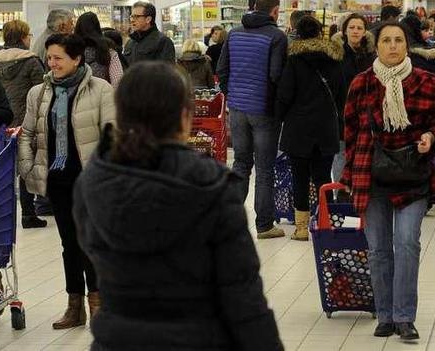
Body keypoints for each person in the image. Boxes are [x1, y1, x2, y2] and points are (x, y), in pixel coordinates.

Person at [72, 62, 282, 351]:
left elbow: (93, 251)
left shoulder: (94, 182)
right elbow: (242, 296)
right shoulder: (212, 187)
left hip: (117, 339)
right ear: (185, 117)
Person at [341, 21, 435, 341]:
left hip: (413, 175)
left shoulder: (425, 82)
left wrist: (432, 137)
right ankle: (385, 315)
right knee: (378, 249)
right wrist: (350, 170)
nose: (392, 46)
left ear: (407, 46)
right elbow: (349, 131)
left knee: (406, 243)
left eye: (398, 40)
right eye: (386, 41)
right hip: (371, 175)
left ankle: (404, 317)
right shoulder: (362, 83)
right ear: (376, 47)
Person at [18, 34, 115, 330]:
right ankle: (75, 306)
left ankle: (98, 304)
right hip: (57, 179)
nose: (52, 63)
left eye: (58, 58)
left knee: (90, 243)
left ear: (76, 59)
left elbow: (113, 135)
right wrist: (26, 167)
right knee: (68, 244)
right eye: (49, 58)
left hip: (89, 179)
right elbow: (27, 133)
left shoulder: (100, 90)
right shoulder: (39, 93)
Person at [217, 0, 289, 239]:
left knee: (240, 164)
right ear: (275, 10)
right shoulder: (277, 37)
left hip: (237, 109)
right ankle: (265, 225)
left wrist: (234, 96)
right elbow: (275, 75)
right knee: (265, 169)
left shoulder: (234, 33)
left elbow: (222, 70)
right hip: (264, 111)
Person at [276, 15, 345, 241]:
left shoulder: (294, 61)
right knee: (323, 177)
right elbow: (341, 94)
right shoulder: (335, 60)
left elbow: (285, 94)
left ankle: (302, 228)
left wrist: (280, 117)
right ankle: (327, 222)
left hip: (299, 127)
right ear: (320, 33)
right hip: (326, 126)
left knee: (300, 178)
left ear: (298, 33)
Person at [0, 20, 48, 229]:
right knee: (26, 166)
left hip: (2, 122)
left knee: (6, 169)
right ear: (24, 37)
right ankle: (28, 213)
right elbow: (41, 92)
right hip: (26, 121)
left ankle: (2, 214)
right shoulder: (31, 61)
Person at [331, 13, 376, 182]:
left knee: (365, 157)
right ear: (344, 31)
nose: (355, 31)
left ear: (365, 32)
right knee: (342, 156)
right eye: (351, 27)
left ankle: (361, 196)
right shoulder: (336, 57)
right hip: (342, 114)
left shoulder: (371, 58)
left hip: (367, 116)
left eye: (359, 28)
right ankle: (341, 196)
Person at [75, 12, 124, 89]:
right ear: (98, 27)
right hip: (102, 96)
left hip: (77, 96)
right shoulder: (108, 48)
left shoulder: (72, 48)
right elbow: (117, 80)